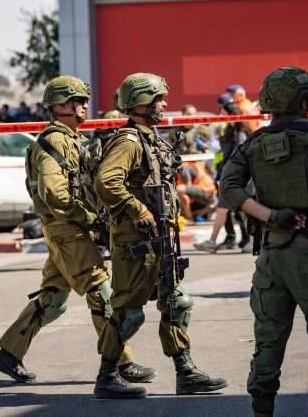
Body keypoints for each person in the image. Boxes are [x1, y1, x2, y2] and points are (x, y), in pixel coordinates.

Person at [0, 76, 153, 387]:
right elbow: (54, 193)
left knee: (53, 299)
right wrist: (89, 218)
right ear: (60, 105)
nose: (84, 106)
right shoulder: (54, 141)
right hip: (68, 229)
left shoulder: (71, 138)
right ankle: (120, 361)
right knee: (102, 293)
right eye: (78, 101)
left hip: (68, 228)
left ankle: (9, 353)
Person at [219, 66, 308, 417]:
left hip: (270, 257)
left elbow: (228, 187)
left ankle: (262, 409)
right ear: (306, 101)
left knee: (268, 343)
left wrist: (271, 217)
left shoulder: (255, 141)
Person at [94, 72, 227, 399]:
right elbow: (107, 182)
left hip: (160, 238)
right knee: (130, 311)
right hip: (135, 241)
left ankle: (186, 372)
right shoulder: (128, 141)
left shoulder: (149, 137)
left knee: (176, 302)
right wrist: (138, 210)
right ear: (140, 103)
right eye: (158, 100)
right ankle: (107, 376)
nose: (165, 104)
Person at [196, 94, 252, 253]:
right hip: (230, 178)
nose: (222, 117)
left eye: (224, 114)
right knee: (226, 210)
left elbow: (239, 157)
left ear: (232, 114)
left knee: (247, 209)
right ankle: (213, 242)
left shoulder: (240, 134)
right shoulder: (229, 131)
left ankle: (250, 242)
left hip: (239, 179)